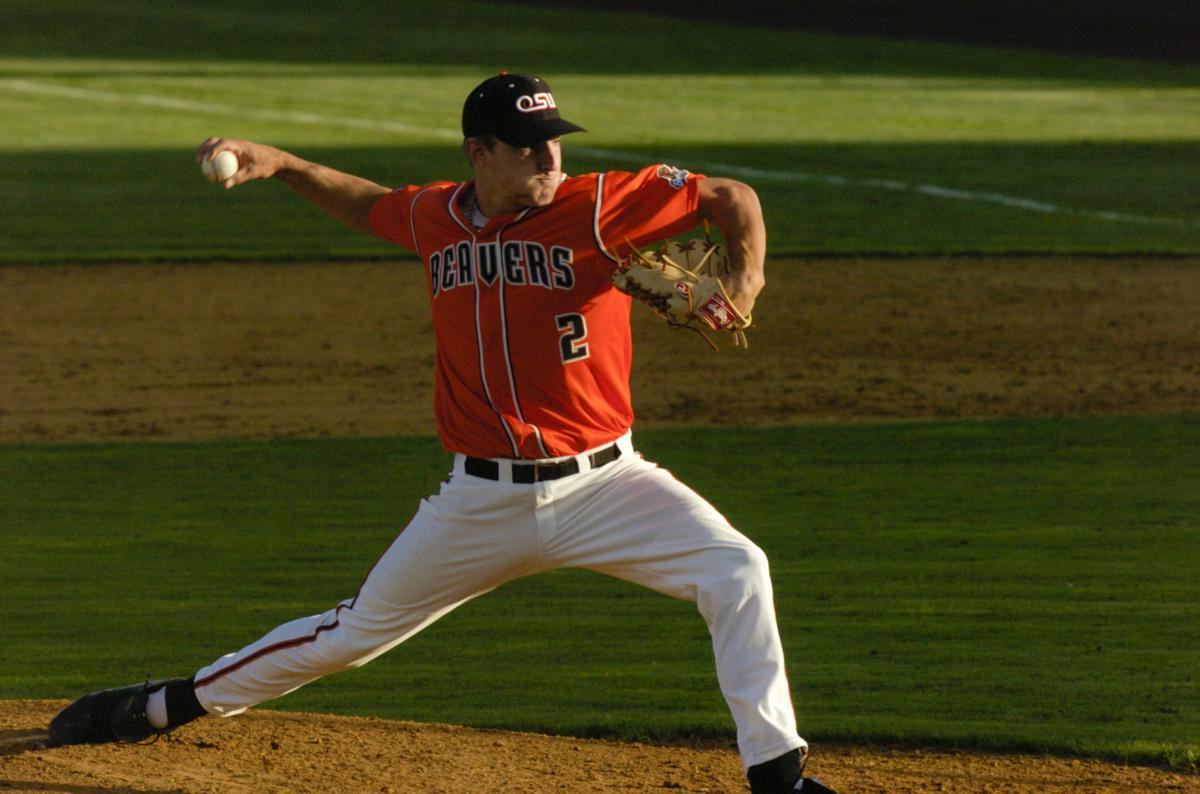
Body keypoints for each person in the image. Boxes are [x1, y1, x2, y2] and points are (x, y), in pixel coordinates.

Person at [48, 73, 833, 794]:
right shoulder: (436, 218)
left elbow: (731, 196)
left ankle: (776, 777)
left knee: (738, 569)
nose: (549, 155)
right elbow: (367, 203)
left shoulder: (599, 204)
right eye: (529, 145)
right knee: (348, 637)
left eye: (555, 138)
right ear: (479, 152)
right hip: (478, 502)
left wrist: (744, 279)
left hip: (609, 485)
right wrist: (281, 163)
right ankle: (161, 706)